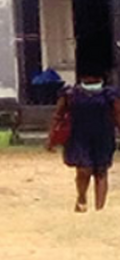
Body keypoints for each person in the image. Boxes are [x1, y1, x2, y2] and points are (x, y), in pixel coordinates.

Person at [49, 69, 120, 213]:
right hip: (78, 136)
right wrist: (52, 137)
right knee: (83, 169)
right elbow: (58, 115)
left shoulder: (110, 94)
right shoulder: (70, 94)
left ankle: (100, 210)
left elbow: (118, 115)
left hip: (103, 136)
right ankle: (82, 197)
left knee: (101, 171)